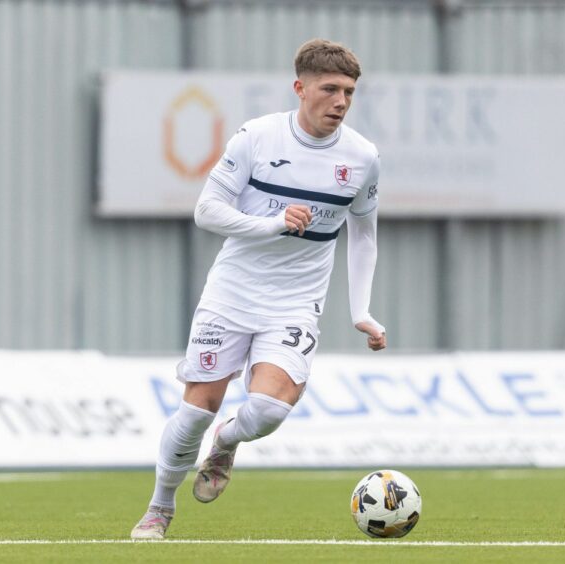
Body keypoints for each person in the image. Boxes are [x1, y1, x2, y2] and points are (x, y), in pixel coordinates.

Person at [131, 38, 386, 540]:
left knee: (268, 410)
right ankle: (160, 508)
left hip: (294, 302)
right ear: (300, 88)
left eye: (350, 92)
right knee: (194, 411)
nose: (340, 102)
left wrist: (362, 311)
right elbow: (207, 211)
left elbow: (364, 234)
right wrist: (271, 224)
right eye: (330, 89)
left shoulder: (362, 157)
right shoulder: (257, 138)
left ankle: (226, 443)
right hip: (232, 295)